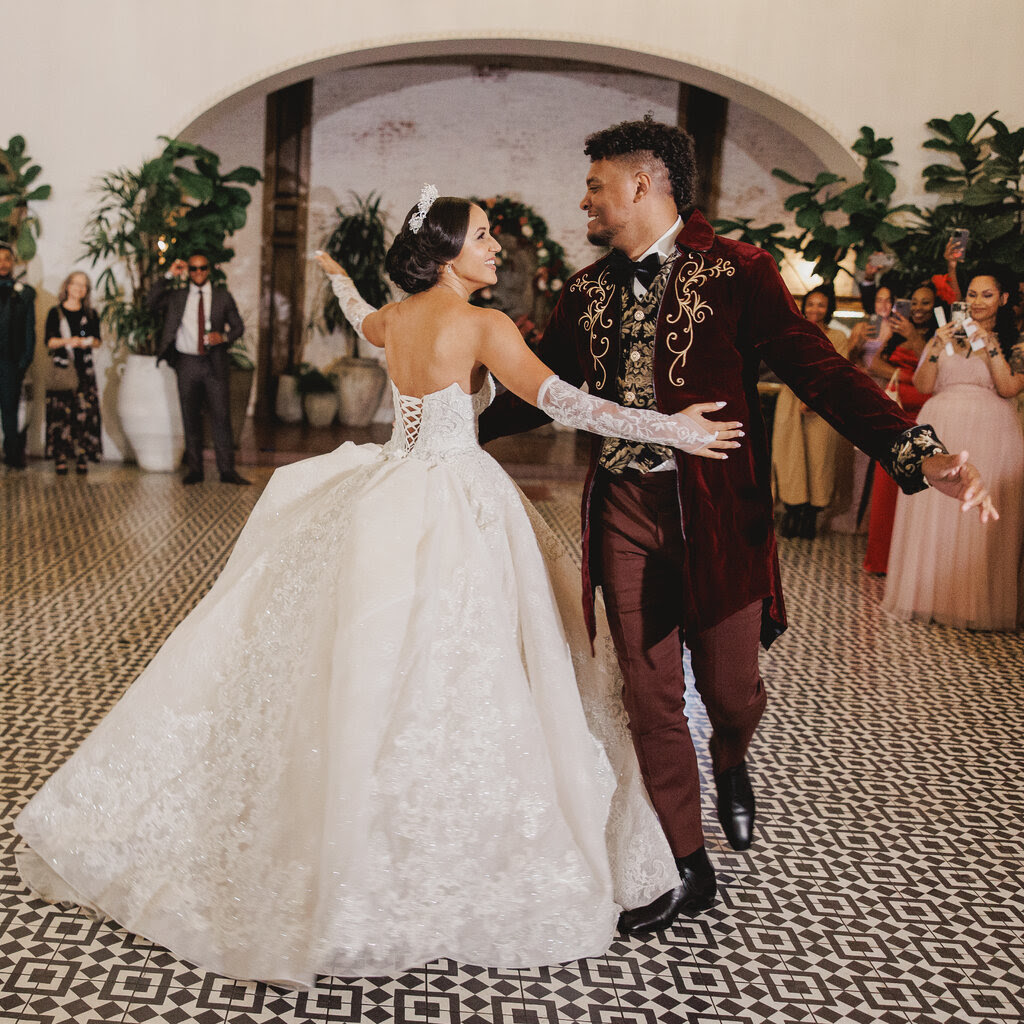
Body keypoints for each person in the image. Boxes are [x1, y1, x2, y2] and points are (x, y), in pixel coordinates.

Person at [15, 189, 742, 986]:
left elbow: (360, 310)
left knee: (377, 659)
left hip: (389, 492)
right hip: (459, 502)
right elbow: (565, 402)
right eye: (484, 237)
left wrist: (334, 273)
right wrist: (678, 428)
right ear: (444, 252)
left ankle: (364, 830)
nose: (496, 247)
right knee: (471, 664)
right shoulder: (483, 326)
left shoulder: (397, 319)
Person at [478, 116, 996, 936]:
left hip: (719, 518)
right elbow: (539, 390)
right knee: (647, 695)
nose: (586, 201)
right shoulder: (584, 291)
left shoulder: (740, 273)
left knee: (728, 690)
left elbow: (816, 368)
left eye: (596, 185)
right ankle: (689, 866)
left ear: (644, 184)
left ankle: (730, 755)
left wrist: (917, 450)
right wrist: (439, 428)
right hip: (623, 511)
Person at [884, 267, 1024, 630]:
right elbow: (924, 383)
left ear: (1004, 300)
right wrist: (934, 344)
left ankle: (974, 605)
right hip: (941, 425)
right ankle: (925, 597)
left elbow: (1009, 387)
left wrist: (990, 344)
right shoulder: (944, 335)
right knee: (934, 511)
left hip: (990, 431)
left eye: (987, 295)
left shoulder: (1014, 342)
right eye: (972, 295)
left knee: (975, 514)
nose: (977, 302)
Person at [147, 253, 249, 485]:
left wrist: (222, 336)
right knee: (189, 416)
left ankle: (227, 471)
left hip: (215, 362)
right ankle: (195, 470)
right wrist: (170, 274)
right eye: (193, 269)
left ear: (209, 269)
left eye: (202, 268)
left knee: (221, 416)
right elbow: (151, 302)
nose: (198, 273)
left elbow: (238, 327)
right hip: (187, 362)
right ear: (188, 271)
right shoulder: (178, 296)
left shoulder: (222, 296)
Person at [862, 283, 938, 573]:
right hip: (895, 419)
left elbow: (934, 374)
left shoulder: (939, 336)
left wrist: (913, 339)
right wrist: (905, 376)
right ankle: (881, 560)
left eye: (925, 303)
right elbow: (875, 365)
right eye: (914, 302)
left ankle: (910, 564)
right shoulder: (895, 334)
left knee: (917, 493)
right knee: (886, 490)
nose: (918, 308)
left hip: (924, 419)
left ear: (935, 307)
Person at [772, 285, 853, 539]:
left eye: (821, 304)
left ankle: (810, 518)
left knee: (820, 461)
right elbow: (780, 363)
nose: (815, 309)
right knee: (790, 458)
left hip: (823, 403)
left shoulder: (838, 337)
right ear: (803, 306)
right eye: (811, 304)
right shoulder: (789, 331)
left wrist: (814, 397)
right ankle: (791, 513)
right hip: (791, 400)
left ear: (829, 308)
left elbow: (838, 369)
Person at [44, 271, 103, 475]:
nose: (79, 288)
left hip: (84, 372)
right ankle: (60, 457)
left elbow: (97, 340)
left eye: (84, 285)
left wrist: (85, 341)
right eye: (76, 284)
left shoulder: (91, 314)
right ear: (67, 286)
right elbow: (49, 341)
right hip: (63, 371)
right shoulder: (56, 312)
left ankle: (82, 455)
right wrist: (70, 341)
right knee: (61, 415)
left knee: (84, 415)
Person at [0, 241, 36, 470]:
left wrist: (24, 360)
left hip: (10, 361)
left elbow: (29, 329)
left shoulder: (23, 294)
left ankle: (12, 452)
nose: (2, 263)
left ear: (13, 262)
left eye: (6, 258)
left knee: (10, 409)